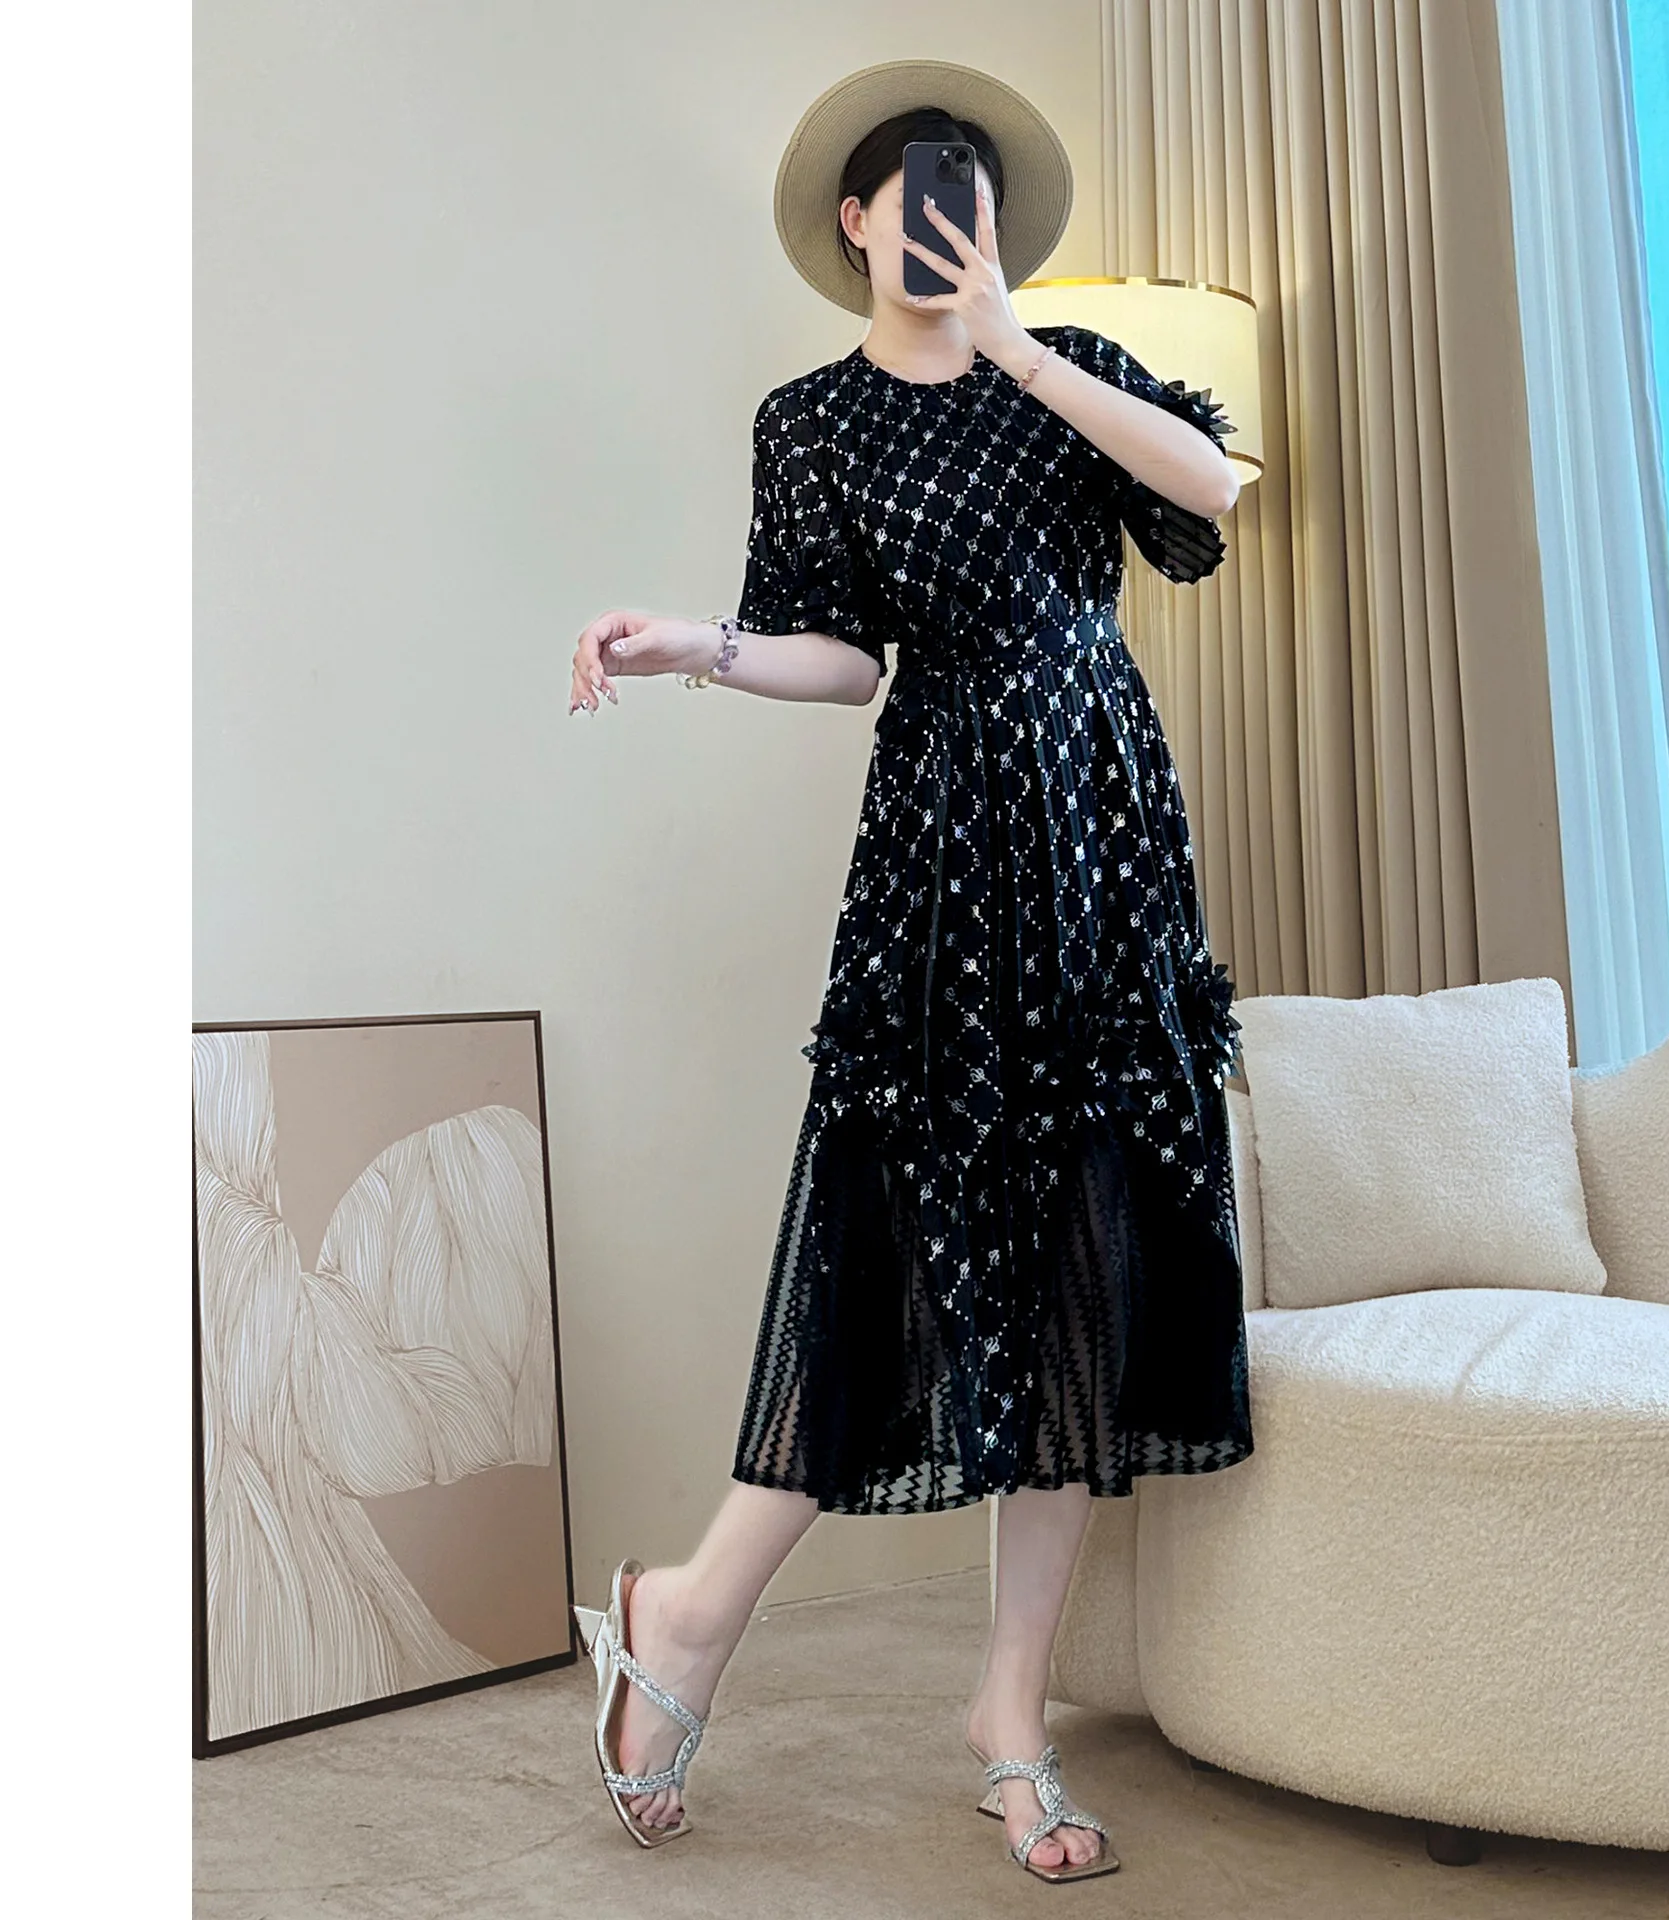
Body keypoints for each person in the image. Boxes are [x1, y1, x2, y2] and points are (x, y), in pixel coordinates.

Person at [564, 61, 1254, 1883]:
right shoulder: (813, 423)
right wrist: (696, 645)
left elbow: (1212, 492)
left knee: (1081, 1263)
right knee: (886, 1251)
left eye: (975, 188)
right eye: (913, 186)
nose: (946, 212)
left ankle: (1008, 1716)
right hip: (946, 859)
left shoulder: (1067, 371)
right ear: (857, 221)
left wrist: (1024, 345)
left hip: (1101, 842)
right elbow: (847, 658)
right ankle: (689, 1609)